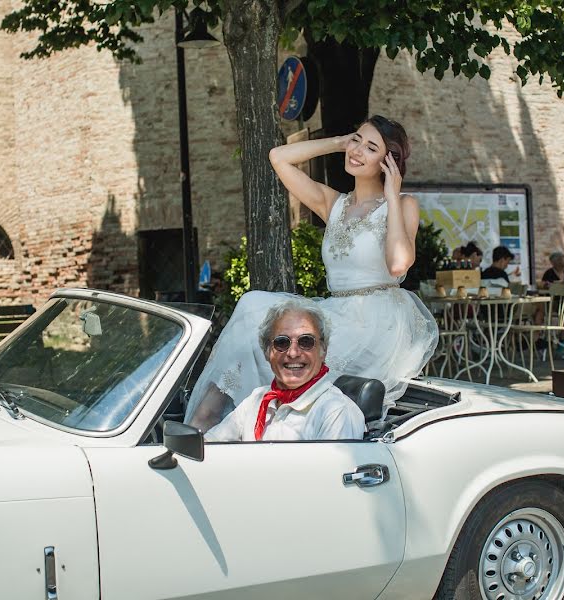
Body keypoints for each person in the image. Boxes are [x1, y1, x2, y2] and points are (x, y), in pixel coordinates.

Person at [185, 115, 438, 431]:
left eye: (371, 147)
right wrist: (337, 142)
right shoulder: (334, 203)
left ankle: (210, 424)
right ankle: (207, 421)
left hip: (376, 322)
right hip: (337, 310)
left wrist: (391, 195)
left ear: (388, 162)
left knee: (288, 345)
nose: (357, 151)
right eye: (356, 140)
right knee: (252, 305)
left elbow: (399, 264)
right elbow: (278, 158)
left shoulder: (403, 204)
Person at [205, 299, 365, 442]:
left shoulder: (335, 411)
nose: (293, 353)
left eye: (306, 341)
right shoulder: (257, 400)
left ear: (323, 350)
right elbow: (210, 447)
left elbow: (331, 474)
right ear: (267, 352)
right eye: (282, 343)